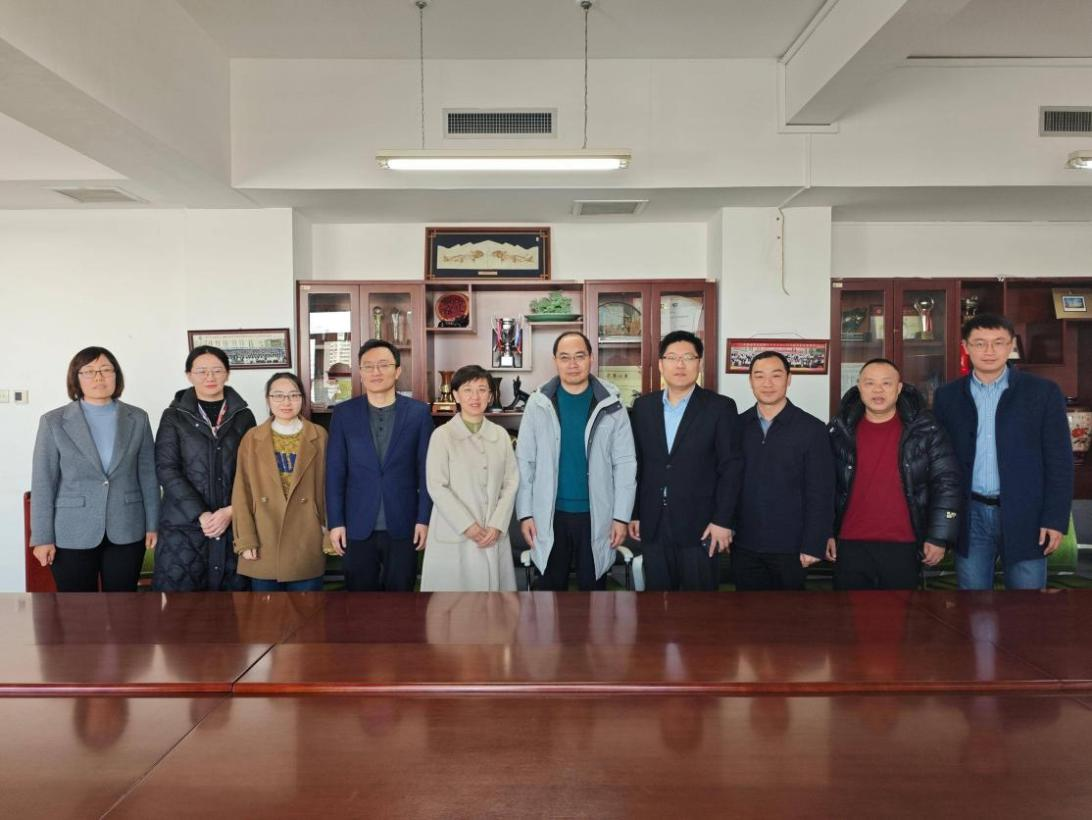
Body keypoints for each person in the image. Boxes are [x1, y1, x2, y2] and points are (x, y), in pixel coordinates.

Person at [933, 313, 1073, 590]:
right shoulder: (947, 396)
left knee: (1026, 607)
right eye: (980, 343)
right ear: (966, 346)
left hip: (1026, 515)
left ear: (1011, 346)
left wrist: (1054, 519)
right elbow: (939, 463)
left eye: (998, 342)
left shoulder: (1043, 393)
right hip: (970, 514)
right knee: (973, 606)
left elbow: (1060, 462)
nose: (989, 351)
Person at [29, 347, 159, 592]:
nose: (98, 377)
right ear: (76, 378)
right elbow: (43, 482)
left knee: (123, 605)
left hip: (127, 527)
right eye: (89, 371)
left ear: (116, 375)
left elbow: (148, 475)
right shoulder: (53, 421)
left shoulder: (138, 418)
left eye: (106, 370)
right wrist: (42, 537)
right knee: (77, 608)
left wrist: (153, 524)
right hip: (72, 530)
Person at [516, 331, 637, 591]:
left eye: (579, 356)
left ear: (591, 358)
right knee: (549, 592)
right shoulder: (538, 403)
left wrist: (621, 517)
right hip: (549, 514)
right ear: (555, 361)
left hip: (597, 514)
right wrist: (525, 513)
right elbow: (525, 461)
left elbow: (625, 464)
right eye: (565, 357)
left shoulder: (611, 404)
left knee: (594, 592)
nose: (572, 364)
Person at [827, 358, 961, 590]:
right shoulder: (839, 431)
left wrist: (939, 536)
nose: (878, 390)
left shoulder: (926, 430)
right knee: (848, 612)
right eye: (870, 383)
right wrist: (824, 533)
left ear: (899, 388)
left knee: (902, 612)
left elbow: (947, 482)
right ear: (859, 387)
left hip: (904, 544)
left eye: (886, 383)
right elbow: (823, 487)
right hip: (849, 543)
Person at [628, 330, 740, 591]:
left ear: (699, 363)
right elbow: (638, 465)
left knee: (699, 607)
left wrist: (723, 520)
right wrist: (635, 514)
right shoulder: (643, 407)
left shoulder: (720, 407)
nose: (680, 365)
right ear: (660, 364)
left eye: (688, 358)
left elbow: (731, 468)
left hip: (701, 525)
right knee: (657, 602)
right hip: (653, 522)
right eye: (672, 358)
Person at [326, 339, 432, 591]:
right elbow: (335, 473)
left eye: (383, 365)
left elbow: (426, 471)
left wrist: (424, 519)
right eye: (369, 366)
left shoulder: (418, 413)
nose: (376, 372)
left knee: (401, 600)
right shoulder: (343, 414)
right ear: (360, 373)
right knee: (359, 602)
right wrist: (336, 522)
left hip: (404, 523)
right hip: (356, 524)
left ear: (397, 371)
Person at [153, 345, 256, 591]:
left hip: (233, 523)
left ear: (227, 373)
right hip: (184, 525)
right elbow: (166, 468)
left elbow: (252, 470)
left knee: (233, 606)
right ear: (189, 375)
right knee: (184, 607)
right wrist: (201, 514)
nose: (210, 377)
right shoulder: (174, 416)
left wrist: (231, 511)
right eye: (201, 371)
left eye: (217, 370)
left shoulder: (243, 416)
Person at [732, 350, 833, 591]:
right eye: (759, 376)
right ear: (750, 381)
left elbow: (821, 491)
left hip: (792, 547)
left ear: (789, 379)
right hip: (744, 544)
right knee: (745, 612)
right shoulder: (736, 426)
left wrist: (814, 542)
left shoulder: (812, 429)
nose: (767, 383)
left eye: (776, 375)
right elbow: (726, 482)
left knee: (790, 613)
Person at [420, 364, 519, 592]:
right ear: (455, 395)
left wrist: (497, 524)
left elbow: (511, 483)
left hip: (492, 533)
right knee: (453, 606)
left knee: (494, 607)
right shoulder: (442, 436)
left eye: (482, 390)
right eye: (468, 390)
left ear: (490, 395)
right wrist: (468, 526)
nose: (475, 397)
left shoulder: (500, 435)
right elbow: (437, 486)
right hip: (454, 533)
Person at [232, 372, 333, 591]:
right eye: (278, 395)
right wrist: (245, 539)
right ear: (268, 400)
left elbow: (329, 488)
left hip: (307, 534)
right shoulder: (252, 438)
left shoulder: (319, 435)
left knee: (308, 609)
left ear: (302, 399)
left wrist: (328, 532)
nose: (286, 402)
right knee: (265, 611)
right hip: (264, 536)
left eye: (293, 395)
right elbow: (241, 491)